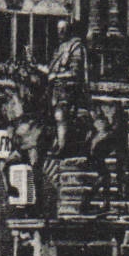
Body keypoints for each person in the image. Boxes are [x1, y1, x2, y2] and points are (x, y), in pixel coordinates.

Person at [44, 20, 87, 157]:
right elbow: (51, 71)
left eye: (63, 29)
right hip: (55, 90)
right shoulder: (59, 48)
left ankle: (62, 146)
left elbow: (75, 73)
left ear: (69, 30)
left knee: (60, 114)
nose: (60, 32)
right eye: (58, 29)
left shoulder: (75, 47)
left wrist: (55, 76)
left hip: (69, 90)